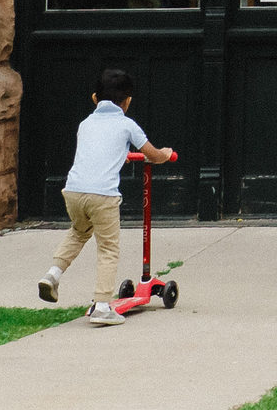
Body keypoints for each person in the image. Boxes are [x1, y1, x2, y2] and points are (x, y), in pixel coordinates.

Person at [38, 67, 176, 326]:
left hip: (74, 191)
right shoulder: (126, 125)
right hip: (103, 196)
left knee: (79, 232)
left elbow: (97, 153)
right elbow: (152, 154)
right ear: (128, 102)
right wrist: (165, 154)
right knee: (108, 248)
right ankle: (102, 305)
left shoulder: (85, 124)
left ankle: (53, 274)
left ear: (94, 99)